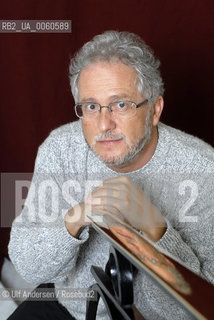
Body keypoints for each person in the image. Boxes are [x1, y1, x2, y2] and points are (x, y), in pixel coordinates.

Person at [8, 31, 214, 320]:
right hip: (70, 308)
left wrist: (156, 229)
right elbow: (28, 267)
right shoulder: (59, 150)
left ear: (154, 110)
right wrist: (74, 221)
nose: (104, 124)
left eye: (121, 104)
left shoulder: (203, 171)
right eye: (91, 106)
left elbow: (196, 310)